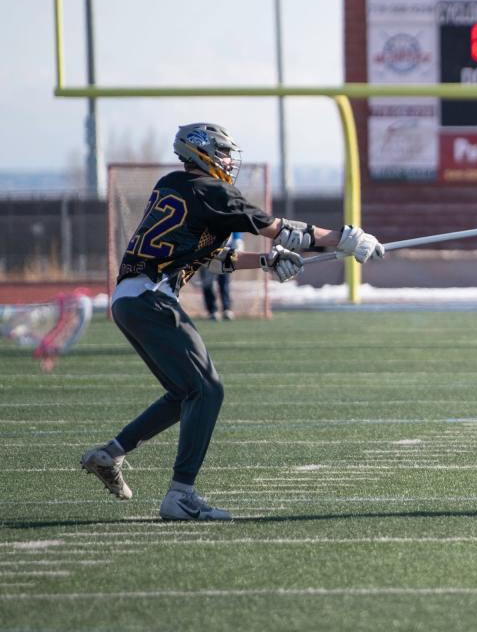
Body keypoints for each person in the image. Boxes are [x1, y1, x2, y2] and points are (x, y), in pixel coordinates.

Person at [81, 122, 384, 521]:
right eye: (223, 152)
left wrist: (264, 261)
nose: (228, 160)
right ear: (201, 152)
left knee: (184, 392)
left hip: (132, 299)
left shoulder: (174, 186)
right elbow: (283, 231)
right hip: (151, 297)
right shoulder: (211, 190)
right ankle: (181, 496)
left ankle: (111, 454)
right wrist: (346, 237)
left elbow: (210, 257)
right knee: (207, 390)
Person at [199, 232, 242, 320]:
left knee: (224, 281)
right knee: (207, 283)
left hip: (225, 248)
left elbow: (235, 222)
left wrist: (237, 239)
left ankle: (227, 309)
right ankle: (212, 310)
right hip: (205, 249)